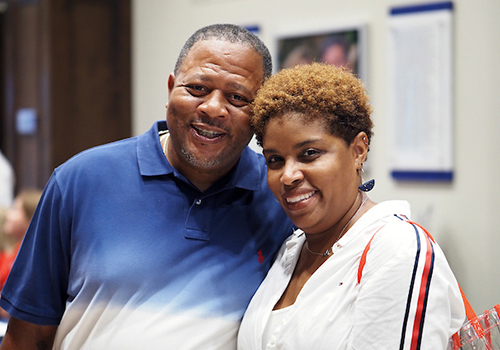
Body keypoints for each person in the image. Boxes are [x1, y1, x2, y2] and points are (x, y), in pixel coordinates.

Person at [0, 24, 293, 350]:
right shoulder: (79, 181)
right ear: (170, 89)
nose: (213, 108)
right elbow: (26, 337)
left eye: (237, 97)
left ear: (260, 112)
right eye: (197, 88)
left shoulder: (279, 198)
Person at [237, 63, 465, 350]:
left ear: (358, 150)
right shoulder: (290, 250)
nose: (288, 175)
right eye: (275, 160)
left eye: (309, 154)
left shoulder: (397, 249)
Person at [0, 190, 42, 320]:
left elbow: (12, 307)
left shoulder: (36, 255)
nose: (8, 215)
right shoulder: (18, 250)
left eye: (15, 209)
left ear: (31, 218)